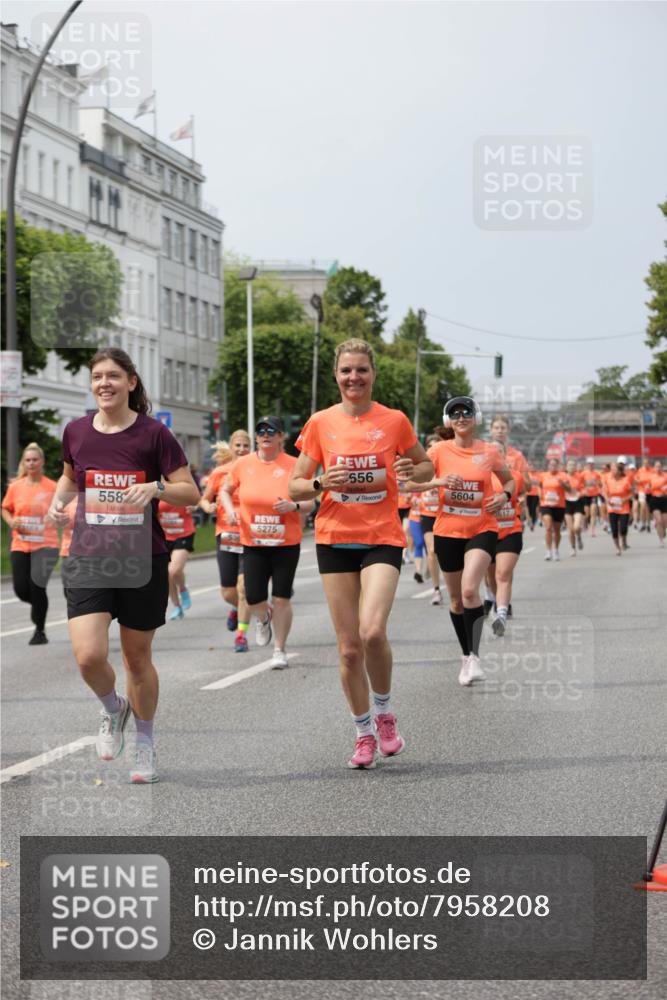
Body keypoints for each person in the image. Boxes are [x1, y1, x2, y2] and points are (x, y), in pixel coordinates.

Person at [46, 348, 199, 784]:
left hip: (142, 561)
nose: (104, 384)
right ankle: (114, 708)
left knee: (136, 659)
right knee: (89, 656)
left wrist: (156, 488)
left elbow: (190, 492)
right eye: (97, 377)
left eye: (113, 376)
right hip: (89, 558)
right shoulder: (76, 431)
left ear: (131, 382)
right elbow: (71, 478)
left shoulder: (154, 435)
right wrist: (60, 504)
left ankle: (145, 744)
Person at [288, 339, 433, 769]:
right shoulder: (320, 422)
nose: (354, 378)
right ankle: (363, 731)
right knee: (349, 648)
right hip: (334, 538)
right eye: (346, 370)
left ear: (373, 374)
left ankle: (386, 712)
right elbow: (296, 484)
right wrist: (320, 483)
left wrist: (413, 470)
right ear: (336, 375)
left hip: (382, 536)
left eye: (361, 370)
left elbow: (425, 466)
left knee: (372, 632)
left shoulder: (394, 420)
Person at [428, 397, 514, 686]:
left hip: (482, 528)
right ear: (448, 420)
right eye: (455, 413)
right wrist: (437, 483)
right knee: (455, 600)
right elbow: (410, 483)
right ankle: (465, 656)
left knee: (468, 591)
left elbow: (509, 481)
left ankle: (475, 657)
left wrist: (504, 496)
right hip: (447, 531)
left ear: (475, 418)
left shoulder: (489, 451)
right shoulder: (438, 450)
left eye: (466, 412)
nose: (461, 417)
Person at [221, 417, 314, 669]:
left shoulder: (294, 465)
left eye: (271, 431)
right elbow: (225, 490)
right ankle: (264, 617)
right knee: (253, 598)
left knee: (282, 597)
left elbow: (310, 501)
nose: (265, 435)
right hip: (254, 543)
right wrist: (230, 510)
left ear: (281, 436)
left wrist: (293, 506)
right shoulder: (243, 464)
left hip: (286, 543)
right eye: (261, 431)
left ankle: (279, 650)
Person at [2, 443, 59, 644]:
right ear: (24, 463)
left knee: (37, 585)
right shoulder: (15, 487)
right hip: (21, 544)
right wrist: (11, 521)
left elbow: (62, 511)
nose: (32, 463)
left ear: (42, 462)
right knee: (21, 589)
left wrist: (55, 518)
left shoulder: (52, 487)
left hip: (46, 545)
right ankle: (39, 608)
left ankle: (40, 630)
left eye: (35, 459)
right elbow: (5, 508)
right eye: (28, 460)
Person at [199, 431, 252, 650]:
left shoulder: (254, 471)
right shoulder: (220, 473)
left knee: (243, 589)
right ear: (230, 447)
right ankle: (237, 608)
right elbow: (204, 498)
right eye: (237, 445)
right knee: (228, 592)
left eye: (246, 445)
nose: (241, 449)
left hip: (250, 536)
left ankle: (241, 635)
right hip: (225, 534)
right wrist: (207, 506)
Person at [486, 439, 524, 636]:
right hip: (487, 532)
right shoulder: (480, 476)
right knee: (491, 576)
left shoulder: (515, 477)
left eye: (499, 451)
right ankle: (494, 599)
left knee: (503, 573)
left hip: (511, 530)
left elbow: (524, 493)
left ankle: (501, 614)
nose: (496, 454)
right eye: (492, 451)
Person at [158, 499, 197, 619]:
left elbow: (197, 498)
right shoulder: (152, 484)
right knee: (166, 574)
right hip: (163, 536)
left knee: (174, 570)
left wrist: (194, 505)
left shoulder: (182, 482)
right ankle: (177, 606)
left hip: (183, 534)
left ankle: (183, 589)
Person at [537, 458, 568, 560]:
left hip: (559, 505)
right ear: (548, 466)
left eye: (555, 465)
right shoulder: (543, 475)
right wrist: (540, 494)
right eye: (551, 465)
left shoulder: (562, 475)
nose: (553, 467)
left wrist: (562, 483)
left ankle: (556, 550)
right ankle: (548, 551)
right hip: (546, 504)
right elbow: (539, 486)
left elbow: (569, 489)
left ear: (558, 466)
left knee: (557, 529)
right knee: (548, 527)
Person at [603, 458, 634, 555]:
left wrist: (625, 499)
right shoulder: (609, 480)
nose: (612, 472)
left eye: (615, 470)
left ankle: (623, 540)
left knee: (623, 527)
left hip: (623, 507)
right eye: (612, 470)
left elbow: (632, 493)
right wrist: (607, 499)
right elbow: (604, 492)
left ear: (619, 471)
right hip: (612, 508)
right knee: (614, 529)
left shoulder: (625, 480)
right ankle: (617, 548)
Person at [563, 458, 585, 556]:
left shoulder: (580, 477)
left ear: (576, 467)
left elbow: (584, 489)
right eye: (569, 465)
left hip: (578, 502)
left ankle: (579, 537)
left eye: (573, 465)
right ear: (566, 467)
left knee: (576, 527)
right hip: (566, 502)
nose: (571, 467)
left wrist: (580, 493)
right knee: (570, 528)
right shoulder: (563, 477)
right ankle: (573, 547)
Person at [648, 460, 667, 546]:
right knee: (659, 520)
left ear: (662, 467)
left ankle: (663, 530)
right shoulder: (651, 477)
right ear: (654, 468)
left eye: (659, 466)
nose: (658, 468)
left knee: (665, 521)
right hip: (655, 499)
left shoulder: (665, 476)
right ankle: (661, 540)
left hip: (664, 499)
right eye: (656, 466)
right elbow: (647, 487)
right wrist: (648, 487)